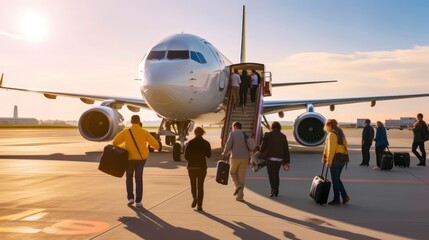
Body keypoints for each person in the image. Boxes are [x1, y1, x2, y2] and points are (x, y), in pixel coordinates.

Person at [113, 115, 160, 208]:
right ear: (139, 122)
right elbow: (156, 145)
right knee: (139, 179)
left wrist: (124, 146)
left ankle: (130, 198)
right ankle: (138, 201)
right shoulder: (144, 132)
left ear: (131, 122)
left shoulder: (126, 132)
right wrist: (150, 146)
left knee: (129, 177)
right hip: (141, 159)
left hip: (129, 159)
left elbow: (115, 142)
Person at [322, 119, 350, 206]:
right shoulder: (340, 132)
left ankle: (336, 199)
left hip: (335, 159)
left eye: (326, 126)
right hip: (342, 159)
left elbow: (331, 149)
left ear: (329, 125)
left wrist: (328, 161)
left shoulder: (332, 134)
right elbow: (346, 145)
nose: (326, 128)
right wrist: (324, 156)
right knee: (337, 178)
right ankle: (344, 196)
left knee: (335, 180)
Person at [221, 121, 251, 202]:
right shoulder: (245, 134)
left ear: (235, 126)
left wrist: (224, 153)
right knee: (241, 177)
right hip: (245, 158)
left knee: (232, 172)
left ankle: (237, 185)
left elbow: (228, 145)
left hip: (235, 157)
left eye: (232, 126)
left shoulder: (233, 134)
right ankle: (240, 196)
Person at [260, 121, 290, 197]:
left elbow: (263, 147)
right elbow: (286, 149)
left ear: (272, 127)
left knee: (271, 174)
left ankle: (273, 189)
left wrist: (260, 154)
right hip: (279, 159)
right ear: (279, 127)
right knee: (276, 174)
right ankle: (276, 189)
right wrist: (287, 161)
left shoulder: (268, 135)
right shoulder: (283, 136)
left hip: (270, 158)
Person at [184, 127, 211, 211]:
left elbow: (186, 156)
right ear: (203, 133)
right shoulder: (206, 143)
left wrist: (191, 161)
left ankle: (194, 197)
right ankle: (199, 205)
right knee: (200, 186)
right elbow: (209, 155)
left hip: (191, 167)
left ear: (195, 133)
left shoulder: (190, 142)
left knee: (193, 184)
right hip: (202, 167)